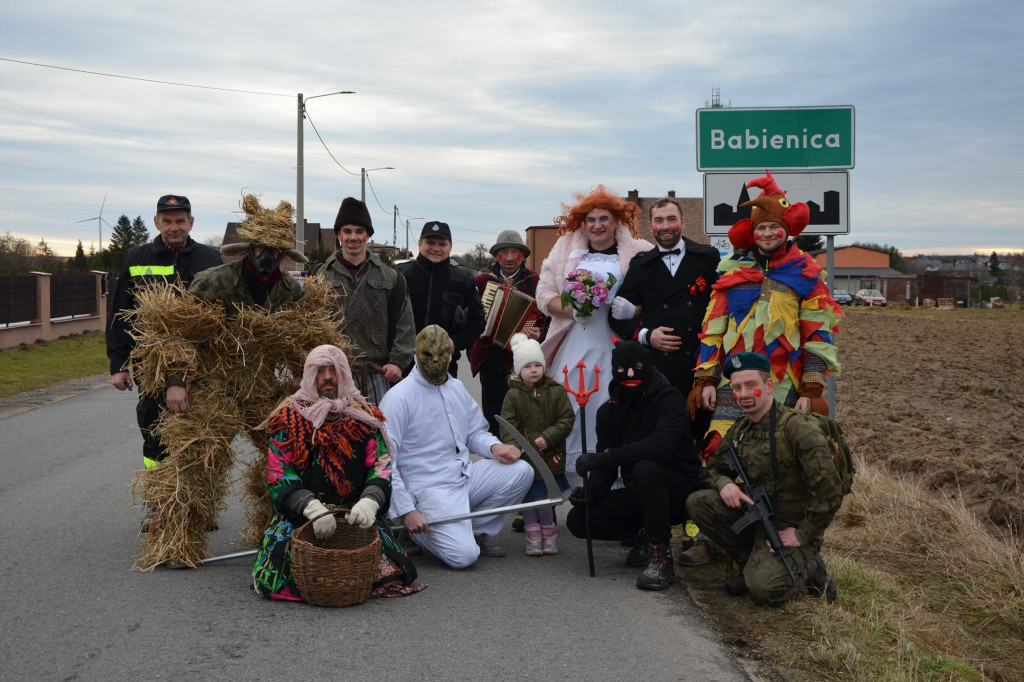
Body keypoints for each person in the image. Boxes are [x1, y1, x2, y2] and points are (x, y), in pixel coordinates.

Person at [690, 170, 842, 463]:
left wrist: (811, 389)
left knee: (778, 456)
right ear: (753, 231)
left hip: (782, 383)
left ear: (787, 229)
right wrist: (705, 379)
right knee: (720, 452)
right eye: (761, 228)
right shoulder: (731, 270)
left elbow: (818, 336)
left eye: (774, 227)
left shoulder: (806, 273)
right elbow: (713, 327)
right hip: (732, 380)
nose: (767, 233)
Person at [251, 344, 424, 601]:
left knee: (392, 572)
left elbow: (382, 465)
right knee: (276, 578)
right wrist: (310, 507)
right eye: (320, 371)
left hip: (355, 515)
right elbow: (278, 474)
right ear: (310, 376)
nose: (328, 377)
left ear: (344, 374)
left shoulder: (365, 417)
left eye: (334, 370)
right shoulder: (288, 418)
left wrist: (370, 501)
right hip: (302, 517)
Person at [608, 196, 720, 566]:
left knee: (699, 449)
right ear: (650, 227)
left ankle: (698, 529)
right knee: (650, 449)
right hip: (656, 377)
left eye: (671, 218)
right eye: (658, 220)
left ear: (683, 221)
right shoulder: (642, 264)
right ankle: (649, 530)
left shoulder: (708, 259)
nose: (665, 225)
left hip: (699, 372)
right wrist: (645, 336)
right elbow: (619, 314)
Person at [686, 351, 841, 605]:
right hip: (758, 516)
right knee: (699, 501)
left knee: (766, 591)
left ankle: (811, 567)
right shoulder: (741, 430)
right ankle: (749, 564)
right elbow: (712, 469)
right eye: (737, 388)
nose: (744, 394)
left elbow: (830, 490)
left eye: (751, 386)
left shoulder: (797, 429)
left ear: (769, 386)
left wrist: (803, 533)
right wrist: (725, 485)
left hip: (793, 524)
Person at [381, 325, 534, 569]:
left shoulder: (455, 388)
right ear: (415, 355)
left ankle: (475, 532)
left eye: (442, 355)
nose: (436, 361)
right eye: (428, 356)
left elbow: (474, 432)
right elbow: (386, 461)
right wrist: (407, 511)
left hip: (462, 477)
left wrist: (495, 448)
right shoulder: (399, 398)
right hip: (428, 491)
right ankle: (418, 533)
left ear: (451, 355)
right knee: (464, 557)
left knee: (521, 472)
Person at [536, 186, 653, 488]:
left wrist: (635, 309)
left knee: (612, 406)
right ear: (583, 224)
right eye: (591, 220)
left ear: (616, 222)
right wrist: (572, 307)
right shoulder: (565, 251)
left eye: (604, 218)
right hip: (576, 339)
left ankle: (613, 487)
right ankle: (564, 486)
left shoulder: (639, 252)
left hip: (616, 342)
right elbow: (544, 295)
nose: (597, 225)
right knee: (570, 405)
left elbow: (655, 297)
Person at [565, 340, 701, 591]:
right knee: (578, 520)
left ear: (647, 367)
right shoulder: (608, 412)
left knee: (645, 466)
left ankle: (661, 557)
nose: (629, 374)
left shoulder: (668, 398)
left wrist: (605, 457)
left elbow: (660, 446)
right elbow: (605, 469)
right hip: (639, 491)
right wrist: (590, 491)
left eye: (637, 367)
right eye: (622, 369)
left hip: (678, 491)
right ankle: (644, 534)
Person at [106, 194, 221, 476]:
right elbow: (121, 314)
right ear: (157, 223)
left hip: (201, 367)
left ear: (190, 223)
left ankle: (200, 513)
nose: (174, 227)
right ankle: (162, 508)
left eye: (180, 221)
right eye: (167, 221)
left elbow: (225, 314)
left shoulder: (212, 259)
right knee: (155, 434)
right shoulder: (137, 258)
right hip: (152, 366)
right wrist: (118, 365)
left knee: (200, 438)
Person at [312, 197, 415, 404]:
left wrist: (397, 362)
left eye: (359, 231)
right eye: (347, 231)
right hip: (331, 376)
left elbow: (405, 324)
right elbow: (308, 325)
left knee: (377, 434)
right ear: (339, 235)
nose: (353, 237)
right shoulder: (319, 277)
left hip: (375, 375)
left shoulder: (392, 278)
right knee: (333, 436)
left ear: (367, 235)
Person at [498, 333, 575, 556]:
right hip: (525, 457)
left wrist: (550, 436)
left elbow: (566, 419)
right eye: (528, 366)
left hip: (550, 455)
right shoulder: (513, 396)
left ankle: (549, 536)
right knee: (529, 498)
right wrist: (516, 446)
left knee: (544, 497)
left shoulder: (556, 392)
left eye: (537, 365)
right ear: (517, 371)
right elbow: (507, 425)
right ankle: (533, 537)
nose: (533, 370)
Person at [469, 229, 543, 437]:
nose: (509, 258)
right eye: (504, 253)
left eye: (515, 253)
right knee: (494, 416)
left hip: (524, 360)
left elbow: (547, 320)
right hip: (491, 359)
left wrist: (540, 334)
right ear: (496, 256)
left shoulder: (536, 283)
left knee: (526, 415)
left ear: (523, 256)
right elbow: (471, 320)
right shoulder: (483, 283)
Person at [396, 221, 485, 379]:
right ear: (419, 244)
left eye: (442, 244)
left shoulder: (463, 281)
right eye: (430, 242)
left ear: (450, 246)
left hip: (444, 368)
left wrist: (455, 342)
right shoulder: (400, 276)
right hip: (402, 368)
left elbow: (477, 322)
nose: (436, 248)